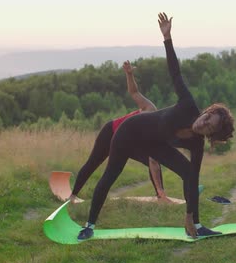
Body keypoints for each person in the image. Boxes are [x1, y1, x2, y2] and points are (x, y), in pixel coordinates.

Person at [77, 12, 235, 240]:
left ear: (210, 135)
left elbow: (193, 180)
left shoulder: (196, 144)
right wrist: (167, 38)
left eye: (209, 128)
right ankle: (89, 225)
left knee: (189, 174)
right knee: (111, 174)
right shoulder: (188, 105)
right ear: (206, 111)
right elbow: (175, 72)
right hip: (130, 132)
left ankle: (196, 225)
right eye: (207, 118)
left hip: (153, 145)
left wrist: (189, 213)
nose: (204, 124)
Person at [68, 60, 171, 203]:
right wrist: (129, 74)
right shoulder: (149, 108)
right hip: (111, 131)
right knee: (94, 162)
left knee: (151, 161)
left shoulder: (157, 134)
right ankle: (72, 195)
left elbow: (154, 161)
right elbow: (134, 92)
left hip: (126, 144)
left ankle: (161, 197)